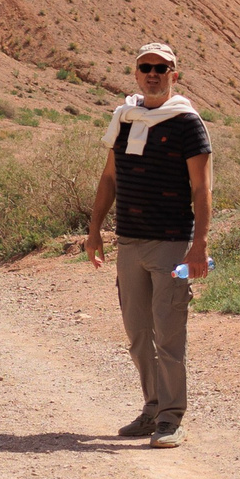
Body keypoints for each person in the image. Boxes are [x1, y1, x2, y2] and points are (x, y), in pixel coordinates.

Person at [85, 41, 212, 448]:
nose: (153, 74)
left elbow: (201, 187)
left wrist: (199, 245)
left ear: (175, 74)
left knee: (168, 332)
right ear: (136, 73)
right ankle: (153, 408)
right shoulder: (124, 118)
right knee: (138, 332)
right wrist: (94, 231)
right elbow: (110, 179)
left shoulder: (187, 123)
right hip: (130, 243)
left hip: (172, 243)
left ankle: (172, 419)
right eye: (146, 67)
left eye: (162, 68)